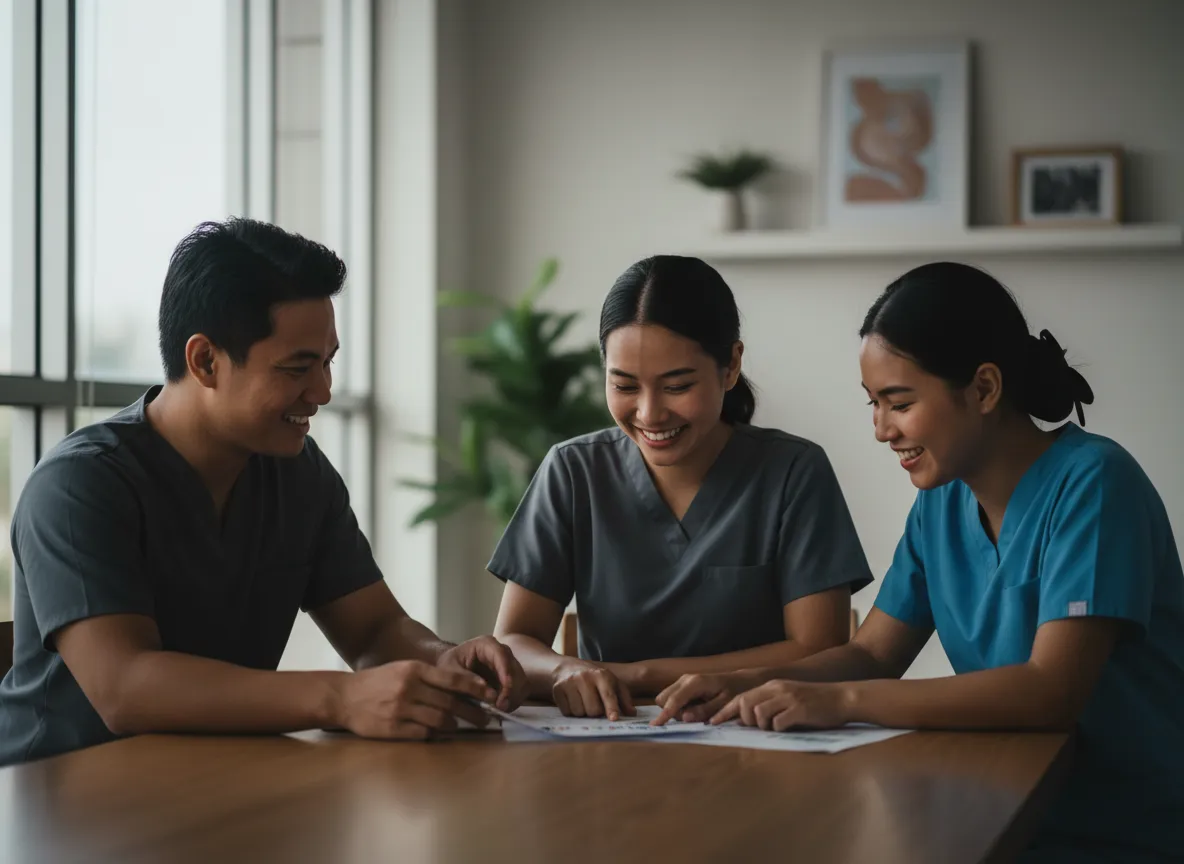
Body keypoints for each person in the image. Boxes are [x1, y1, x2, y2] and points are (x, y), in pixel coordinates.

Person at [654, 262, 1184, 862]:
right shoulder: (941, 503)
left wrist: (840, 703)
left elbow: (1051, 690)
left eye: (898, 402)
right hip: (1004, 815)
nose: (881, 429)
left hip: (1123, 836)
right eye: (873, 404)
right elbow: (873, 653)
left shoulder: (1096, 483)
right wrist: (743, 685)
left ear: (984, 389)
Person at [0, 218, 527, 766]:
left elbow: (375, 628)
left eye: (327, 362)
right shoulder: (78, 485)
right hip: (52, 803)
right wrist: (339, 699)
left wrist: (442, 661)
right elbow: (125, 689)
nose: (322, 391)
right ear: (205, 361)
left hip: (212, 785)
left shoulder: (298, 472)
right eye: (297, 367)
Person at [490, 255, 873, 720]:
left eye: (677, 386)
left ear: (730, 366)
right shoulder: (573, 472)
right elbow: (513, 642)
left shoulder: (794, 471)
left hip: (761, 744)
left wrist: (642, 676)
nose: (649, 414)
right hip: (609, 749)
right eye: (625, 386)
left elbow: (820, 649)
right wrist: (560, 671)